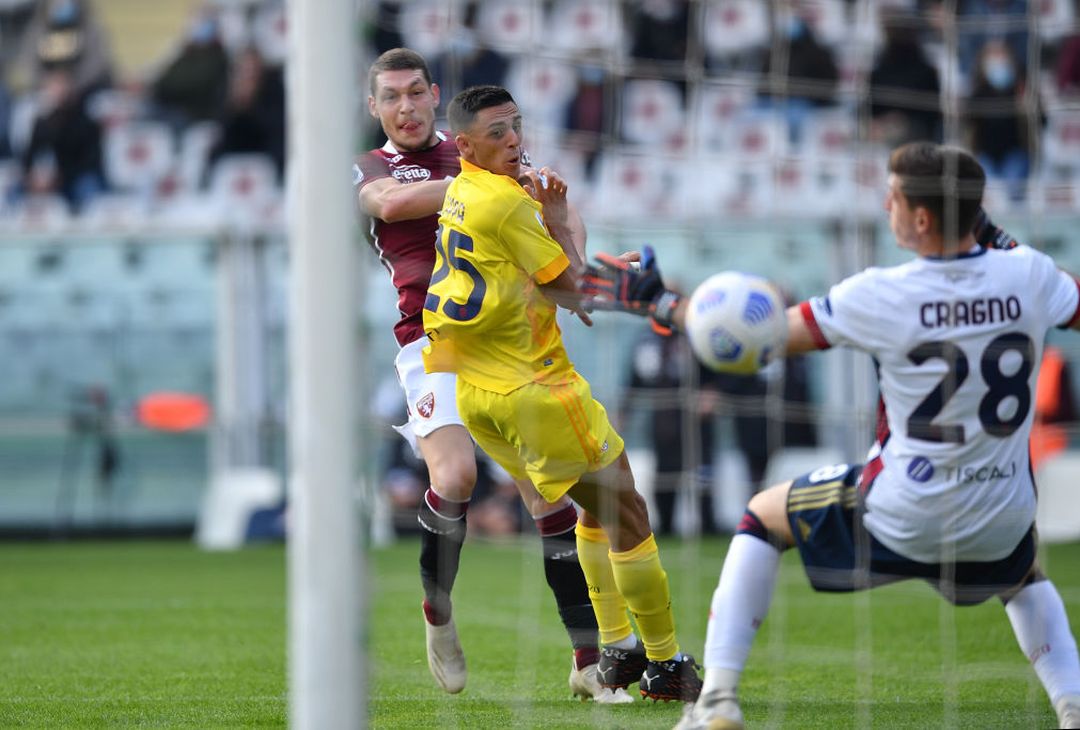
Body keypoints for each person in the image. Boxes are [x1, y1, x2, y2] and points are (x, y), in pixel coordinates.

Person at [582, 142, 1080, 729]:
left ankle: (716, 699)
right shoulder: (1031, 273)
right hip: (1002, 511)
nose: (886, 205)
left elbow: (764, 336)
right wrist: (998, 241)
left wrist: (661, 303)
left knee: (762, 517)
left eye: (894, 196)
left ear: (922, 219)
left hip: (905, 506)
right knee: (1023, 574)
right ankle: (1071, 704)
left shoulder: (881, 291)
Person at [355, 49, 624, 703]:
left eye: (415, 92)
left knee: (549, 496)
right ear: (374, 107)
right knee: (455, 478)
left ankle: (587, 661)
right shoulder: (374, 167)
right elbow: (390, 204)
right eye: (391, 97)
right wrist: (482, 184)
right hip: (435, 343)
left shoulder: (480, 146)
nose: (405, 107)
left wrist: (573, 259)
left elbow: (560, 206)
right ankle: (438, 612)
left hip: (509, 342)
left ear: (434, 94)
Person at [422, 84, 703, 703]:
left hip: (480, 393)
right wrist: (574, 234)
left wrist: (559, 233)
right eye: (497, 133)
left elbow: (552, 281)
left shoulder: (464, 192)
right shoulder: (505, 203)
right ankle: (663, 663)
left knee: (597, 509)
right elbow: (577, 292)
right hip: (536, 389)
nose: (514, 140)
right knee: (627, 509)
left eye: (516, 126)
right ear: (464, 145)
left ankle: (616, 648)